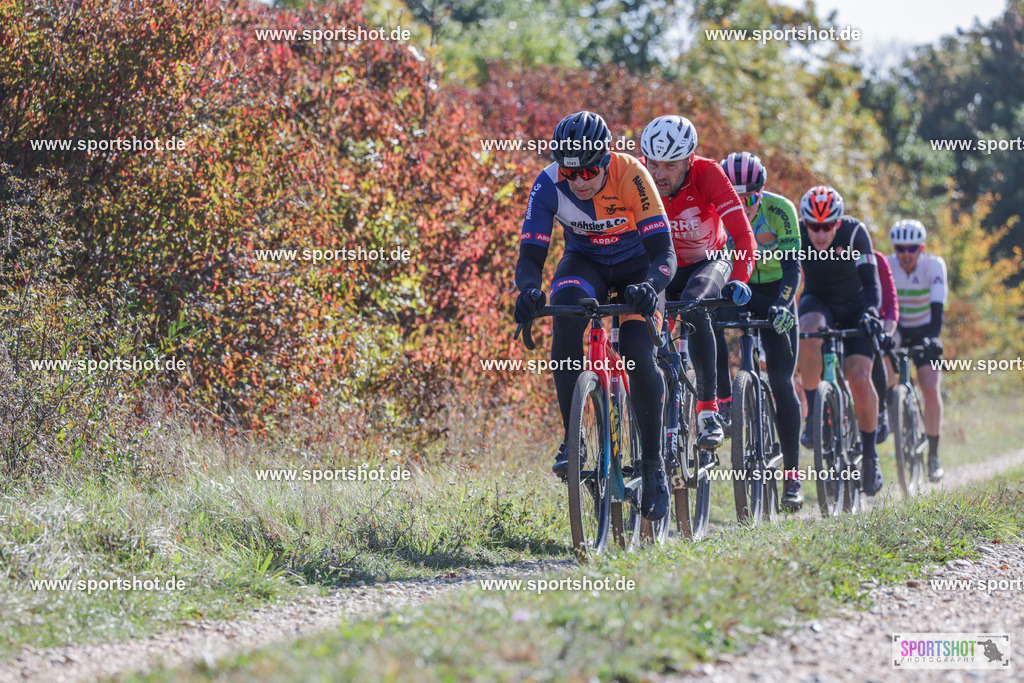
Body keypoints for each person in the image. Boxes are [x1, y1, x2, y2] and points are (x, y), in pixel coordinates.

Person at [514, 111, 677, 519]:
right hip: (585, 264)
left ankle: (653, 465)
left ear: (606, 160)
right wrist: (529, 291)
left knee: (638, 353)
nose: (580, 181)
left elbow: (664, 253)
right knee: (565, 319)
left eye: (589, 171)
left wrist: (651, 286)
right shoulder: (548, 183)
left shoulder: (632, 174)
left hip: (639, 268)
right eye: (571, 173)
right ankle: (573, 441)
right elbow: (530, 256)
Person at [639, 116, 755, 450]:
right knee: (642, 327)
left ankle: (707, 410)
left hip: (708, 261)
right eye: (653, 164)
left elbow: (743, 236)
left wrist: (739, 280)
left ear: (689, 160)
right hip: (663, 266)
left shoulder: (709, 174)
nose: (659, 174)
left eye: (670, 166)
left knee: (695, 307)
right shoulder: (639, 175)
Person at [712, 152, 804, 509]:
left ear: (761, 193)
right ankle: (724, 401)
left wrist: (783, 303)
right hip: (739, 287)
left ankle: (792, 475)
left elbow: (793, 268)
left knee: (781, 381)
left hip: (776, 292)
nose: (742, 207)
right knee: (711, 322)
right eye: (733, 199)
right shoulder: (717, 212)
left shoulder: (781, 210)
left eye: (749, 199)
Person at [796, 185, 885, 495]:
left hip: (856, 307)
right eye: (813, 226)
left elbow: (872, 284)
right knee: (807, 330)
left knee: (859, 377)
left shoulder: (854, 233)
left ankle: (870, 455)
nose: (820, 234)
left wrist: (871, 313)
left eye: (827, 226)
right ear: (804, 223)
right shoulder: (797, 235)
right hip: (818, 301)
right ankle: (813, 416)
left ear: (838, 222)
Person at [886, 219, 947, 481]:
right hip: (899, 327)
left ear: (921, 248)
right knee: (883, 347)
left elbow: (938, 308)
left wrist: (933, 337)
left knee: (930, 387)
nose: (906, 254)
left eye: (912, 248)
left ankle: (933, 455)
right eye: (900, 249)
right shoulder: (888, 265)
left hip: (925, 329)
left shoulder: (934, 266)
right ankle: (892, 400)